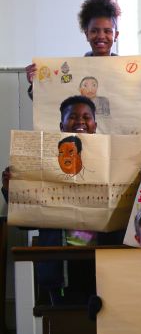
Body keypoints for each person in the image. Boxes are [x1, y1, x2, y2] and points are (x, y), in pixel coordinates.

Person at [2, 96, 102, 305]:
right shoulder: (43, 161)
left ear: (95, 124)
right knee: (64, 328)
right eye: (72, 116)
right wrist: (11, 189)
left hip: (102, 262)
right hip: (60, 264)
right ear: (61, 124)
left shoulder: (113, 160)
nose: (80, 121)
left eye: (86, 117)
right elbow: (26, 220)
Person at [24, 0, 141, 107]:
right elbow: (53, 105)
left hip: (119, 139)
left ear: (116, 36)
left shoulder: (128, 73)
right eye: (94, 31)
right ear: (87, 34)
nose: (101, 36)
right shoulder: (74, 72)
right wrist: (36, 84)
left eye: (107, 31)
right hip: (84, 139)